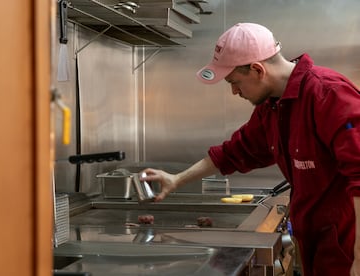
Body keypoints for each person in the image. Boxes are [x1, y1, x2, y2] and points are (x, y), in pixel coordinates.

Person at [141, 23, 360, 276]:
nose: (234, 91)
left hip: (347, 248)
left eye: (235, 82)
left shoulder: (327, 94)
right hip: (317, 245)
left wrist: (359, 258)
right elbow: (234, 152)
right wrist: (176, 180)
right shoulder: (273, 109)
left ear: (257, 69)